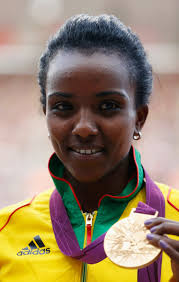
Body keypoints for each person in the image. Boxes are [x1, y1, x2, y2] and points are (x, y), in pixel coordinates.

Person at [0, 14, 178, 282]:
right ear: (46, 114)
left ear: (139, 118)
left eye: (108, 106)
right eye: (63, 107)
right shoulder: (6, 232)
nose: (84, 128)